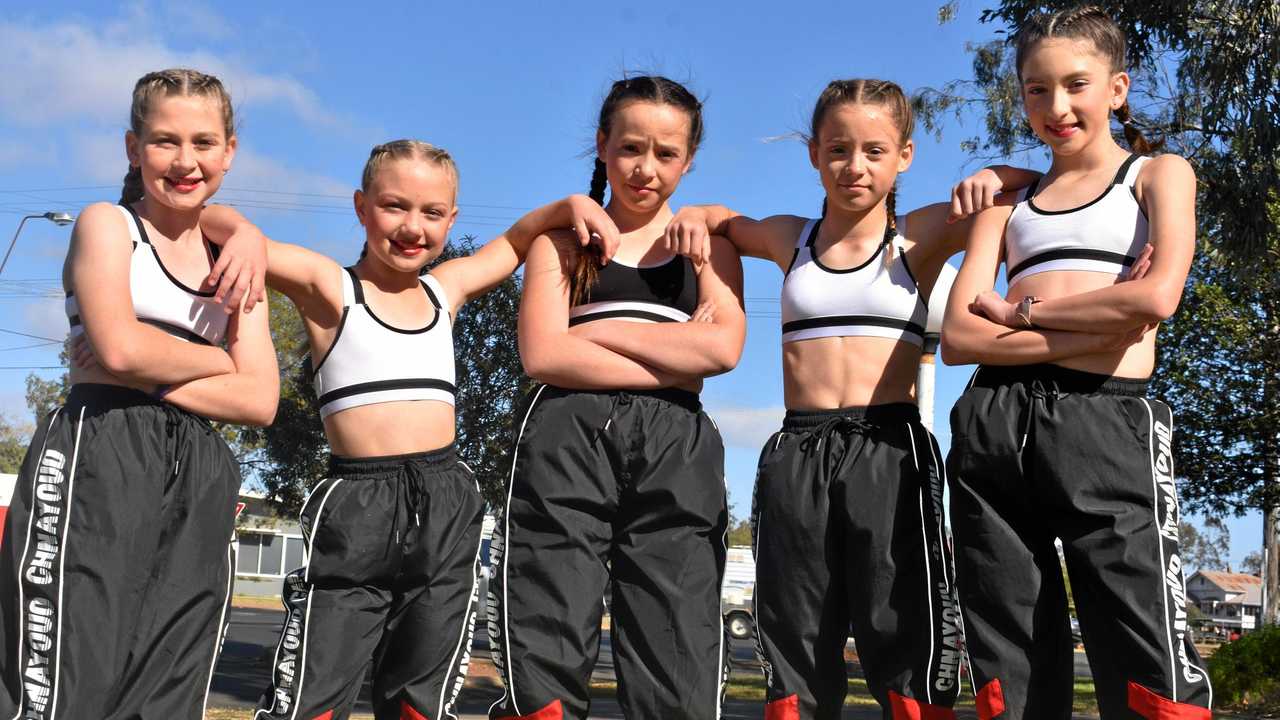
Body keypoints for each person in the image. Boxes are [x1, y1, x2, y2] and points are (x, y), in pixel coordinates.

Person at [199, 139, 619, 720]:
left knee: (419, 704)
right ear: (361, 206)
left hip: (446, 504)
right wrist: (242, 228)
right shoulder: (330, 288)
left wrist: (570, 204)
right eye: (395, 206)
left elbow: (518, 241)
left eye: (432, 213)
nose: (412, 227)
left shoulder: (443, 291)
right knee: (312, 702)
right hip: (358, 507)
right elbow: (206, 220)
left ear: (452, 219)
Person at [664, 78, 1039, 720]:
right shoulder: (792, 238)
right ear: (814, 154)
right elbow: (726, 222)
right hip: (798, 449)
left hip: (889, 450)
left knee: (902, 629)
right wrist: (696, 217)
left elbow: (1041, 185)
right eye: (838, 149)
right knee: (796, 629)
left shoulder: (920, 237)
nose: (854, 166)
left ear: (905, 157)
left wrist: (998, 171)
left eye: (873, 150)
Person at [940, 6, 1209, 718]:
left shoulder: (1158, 175)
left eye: (1076, 85)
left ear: (1117, 88)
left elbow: (1156, 297)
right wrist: (1102, 320)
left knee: (1144, 650)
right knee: (1008, 657)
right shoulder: (1007, 198)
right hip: (995, 422)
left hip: (1106, 424)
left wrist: (1023, 313)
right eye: (1036, 89)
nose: (1056, 106)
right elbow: (961, 339)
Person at [0, 68, 279, 719]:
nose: (186, 161)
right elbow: (118, 350)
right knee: (67, 684)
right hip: (103, 451)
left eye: (204, 142)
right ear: (133, 149)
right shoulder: (106, 226)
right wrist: (217, 364)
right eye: (164, 141)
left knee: (166, 694)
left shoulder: (237, 260)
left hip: (202, 473)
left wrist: (143, 360)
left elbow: (260, 399)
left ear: (230, 152)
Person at [486, 76, 746, 720]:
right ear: (602, 145)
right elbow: (545, 355)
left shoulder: (708, 249)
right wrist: (671, 351)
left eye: (666, 154)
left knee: (675, 634)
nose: (645, 169)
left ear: (688, 161)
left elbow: (721, 353)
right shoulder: (562, 244)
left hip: (677, 447)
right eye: (631, 148)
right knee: (548, 621)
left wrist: (603, 332)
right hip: (566, 437)